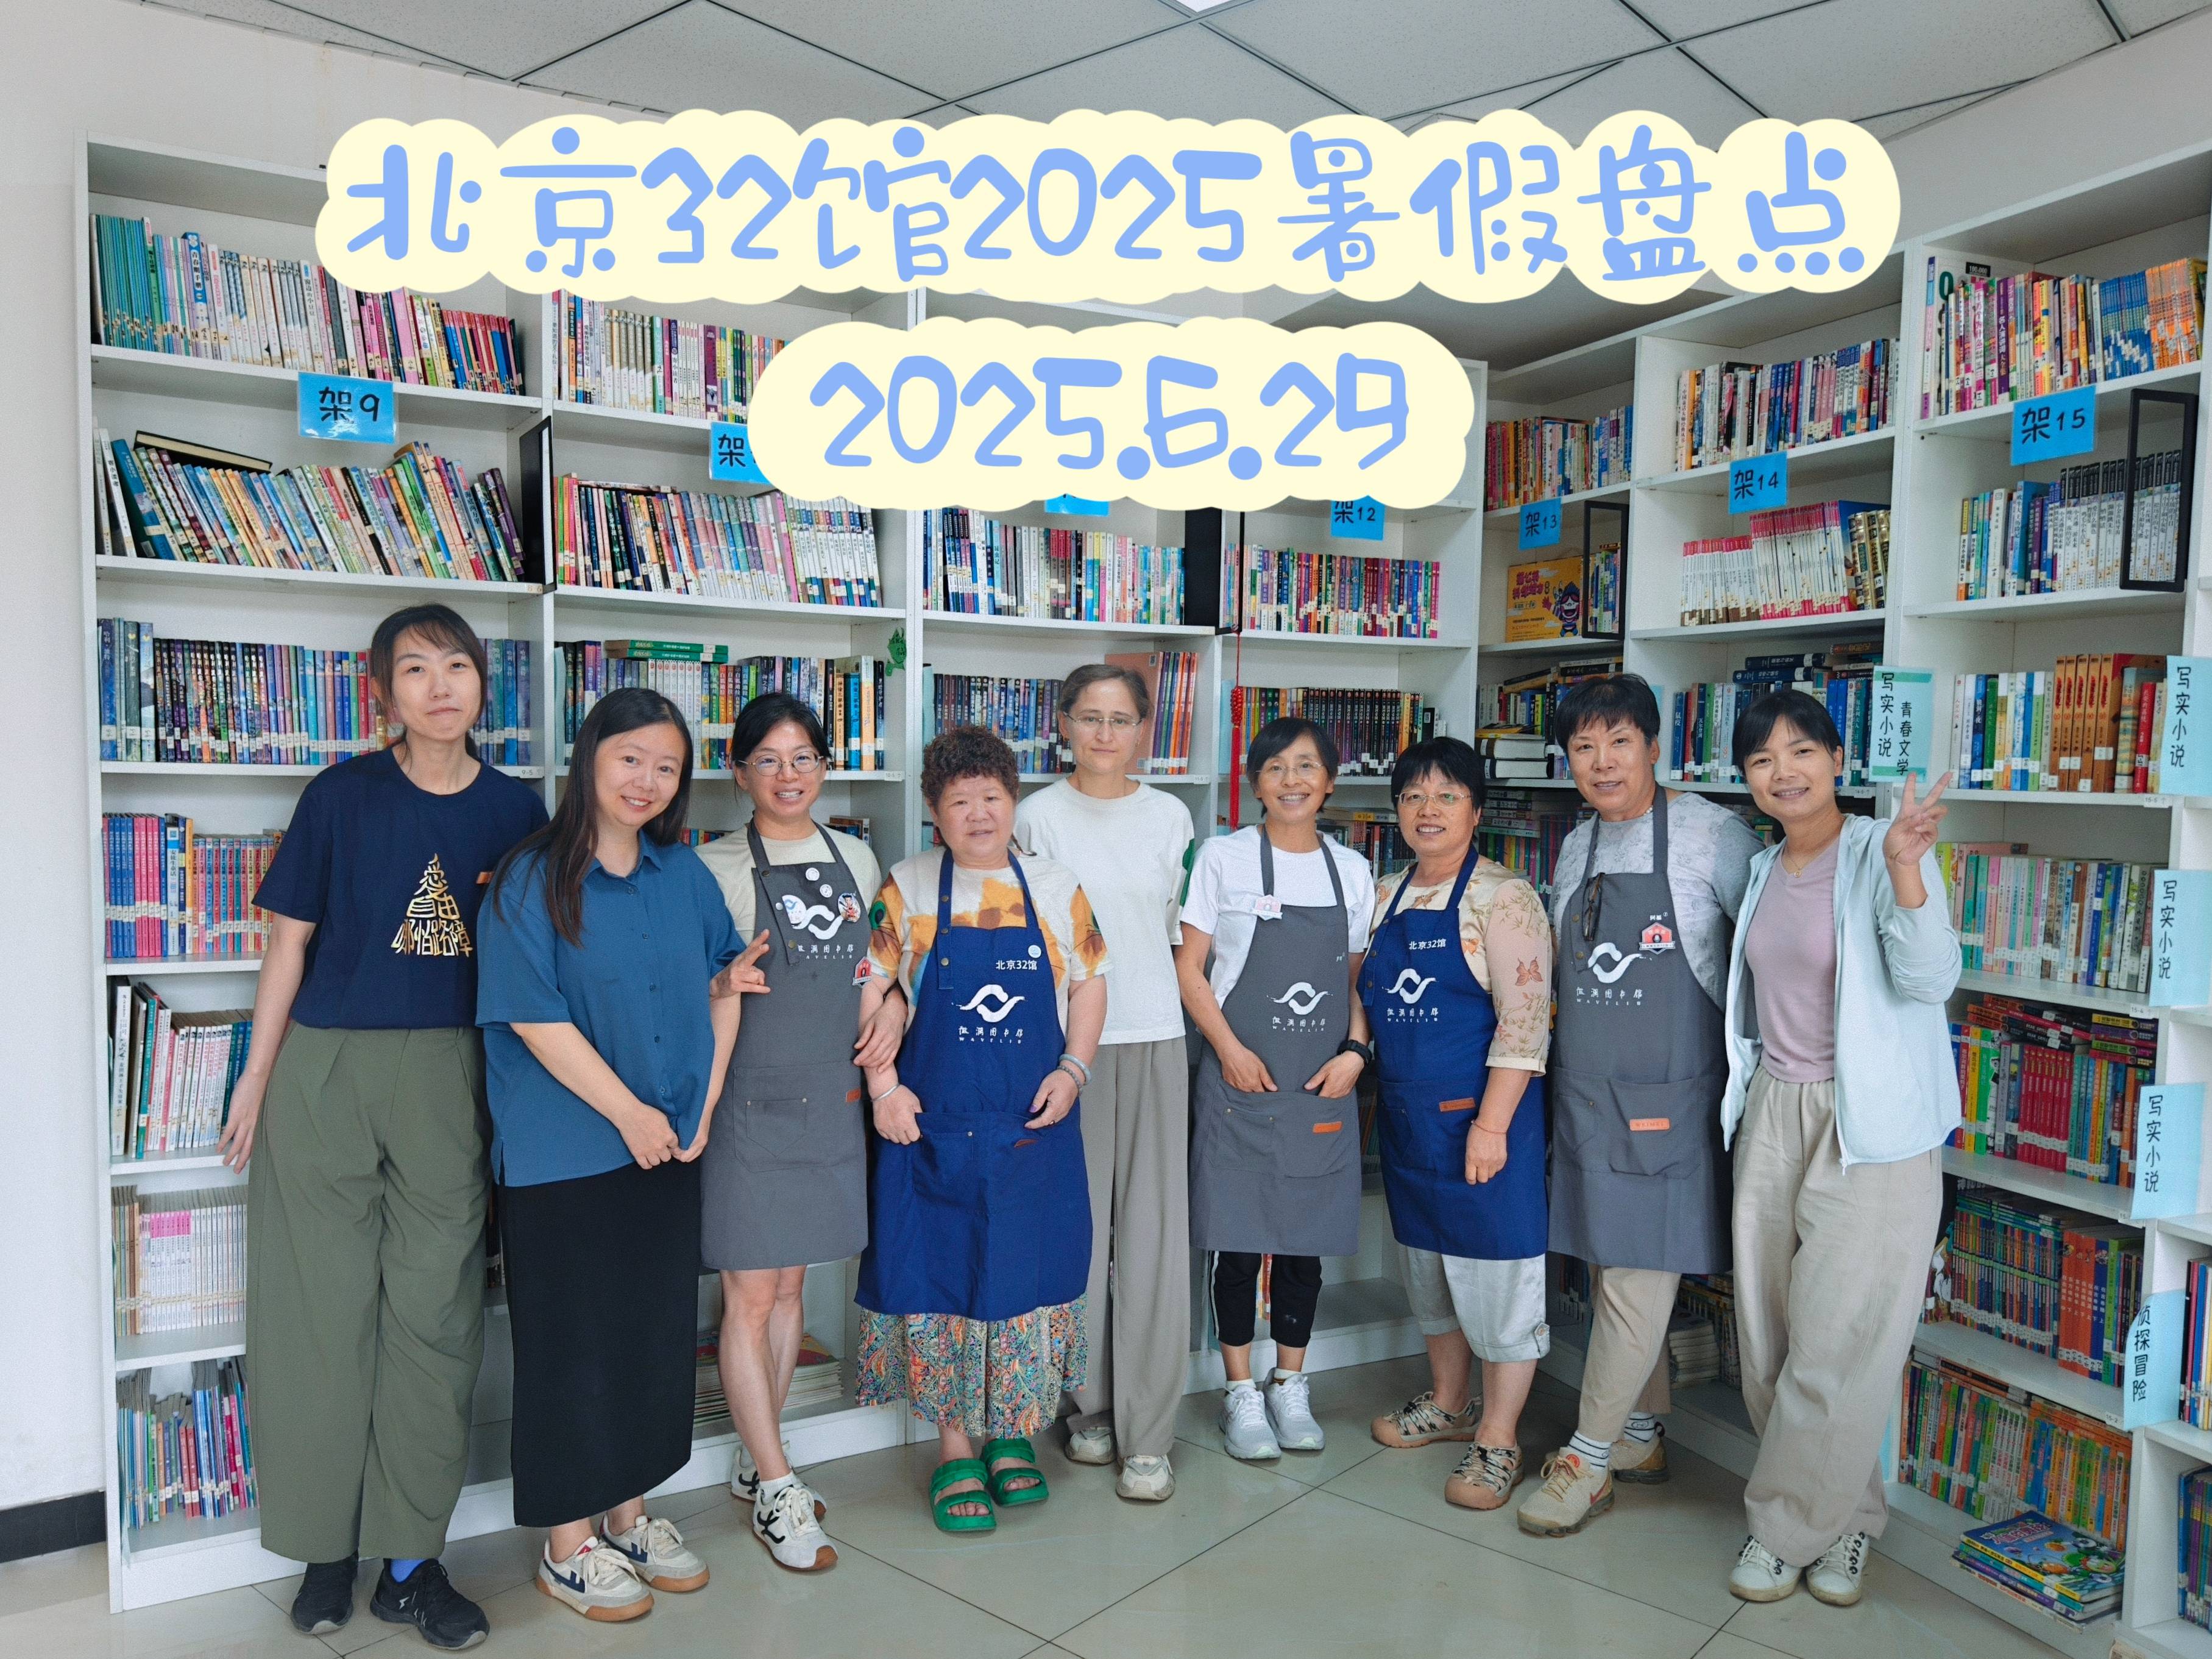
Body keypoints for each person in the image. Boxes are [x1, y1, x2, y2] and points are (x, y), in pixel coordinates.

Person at [224, 603, 545, 1649]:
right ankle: (326, 1547)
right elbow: (288, 944)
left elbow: (543, 957)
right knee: (319, 1314)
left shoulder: (518, 810)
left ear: (482, 683)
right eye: (415, 669)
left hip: (452, 1077)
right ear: (383, 691)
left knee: (435, 1315)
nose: (440, 686)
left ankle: (412, 1561)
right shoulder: (340, 796)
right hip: (327, 1067)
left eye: (457, 665)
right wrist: (255, 1080)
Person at [476, 687, 743, 1622]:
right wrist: (630, 1112)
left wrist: (699, 1109)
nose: (647, 780)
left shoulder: (684, 873)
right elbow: (532, 1016)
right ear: (590, 756)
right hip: (564, 1154)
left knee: (648, 1336)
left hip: (668, 1145)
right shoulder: (530, 878)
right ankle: (566, 1544)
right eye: (631, 758)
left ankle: (629, 1515)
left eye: (667, 766)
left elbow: (726, 980)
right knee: (569, 1347)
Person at [1718, 691, 1957, 1607]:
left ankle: (1783, 1531)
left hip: (1870, 1127)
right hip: (1775, 1111)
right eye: (1761, 759)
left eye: (1801, 751)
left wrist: (1906, 869)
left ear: (1835, 758)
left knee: (1840, 1343)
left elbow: (1930, 978)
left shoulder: (1879, 850)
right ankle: (1848, 1518)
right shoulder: (1762, 867)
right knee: (1770, 1340)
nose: (1783, 772)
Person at [1517, 673, 1764, 1540]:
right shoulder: (1576, 845)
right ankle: (1642, 1432)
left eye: (1619, 741)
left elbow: (1766, 949)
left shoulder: (1713, 835)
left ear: (1654, 746)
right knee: (1605, 1265)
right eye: (1583, 746)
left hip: (1668, 1099)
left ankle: (1585, 1460)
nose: (1602, 762)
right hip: (1587, 1093)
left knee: (1632, 1276)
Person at [856, 726, 1109, 1533]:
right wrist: (884, 1088)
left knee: (1024, 1275)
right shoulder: (907, 886)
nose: (978, 813)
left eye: (991, 797)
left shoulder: (1056, 886)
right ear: (934, 812)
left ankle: (1012, 1433)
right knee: (941, 1281)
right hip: (931, 1127)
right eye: (959, 800)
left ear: (1013, 800)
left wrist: (1074, 1068)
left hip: (1032, 1126)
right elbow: (871, 985)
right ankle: (956, 1447)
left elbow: (1090, 981)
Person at [697, 690, 904, 1571]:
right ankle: (779, 1486)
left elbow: (875, 967)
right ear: (738, 771)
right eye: (769, 760)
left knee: (790, 1291)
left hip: (829, 1099)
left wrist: (892, 1006)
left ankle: (759, 1453)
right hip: (747, 1105)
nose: (789, 775)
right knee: (748, 1295)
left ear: (826, 765)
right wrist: (716, 984)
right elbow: (683, 987)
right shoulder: (711, 867)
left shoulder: (855, 856)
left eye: (804, 758)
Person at [1358, 737, 1554, 1511]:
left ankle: (1499, 1438)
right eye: (1413, 796)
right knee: (1429, 1272)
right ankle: (1449, 1403)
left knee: (1498, 1278)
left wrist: (1492, 1124)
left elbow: (1526, 1021)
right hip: (1409, 1120)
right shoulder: (1384, 893)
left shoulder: (1505, 898)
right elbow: (1362, 997)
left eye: (1447, 795)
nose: (1428, 810)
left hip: (1484, 1119)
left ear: (1476, 810)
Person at [1016, 664, 1195, 1504]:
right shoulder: (1035, 816)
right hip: (1066, 1049)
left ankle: (1150, 1435)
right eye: (1088, 716)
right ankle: (1087, 1406)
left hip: (1154, 1035)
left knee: (1154, 1240)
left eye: (1120, 719)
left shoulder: (1170, 815)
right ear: (1063, 723)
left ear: (1143, 729)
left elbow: (1172, 932)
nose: (1103, 733)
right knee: (1077, 1238)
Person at [1180, 717, 1375, 1462]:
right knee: (1237, 1244)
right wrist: (1228, 1050)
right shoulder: (1222, 859)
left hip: (1320, 1082)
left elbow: (1357, 982)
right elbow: (1190, 970)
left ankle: (1290, 1382)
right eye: (1275, 767)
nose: (1292, 781)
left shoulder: (1351, 871)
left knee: (1303, 1246)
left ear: (1329, 782)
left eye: (1307, 767)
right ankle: (1239, 1391)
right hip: (1239, 1080)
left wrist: (1356, 1051)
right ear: (1254, 781)